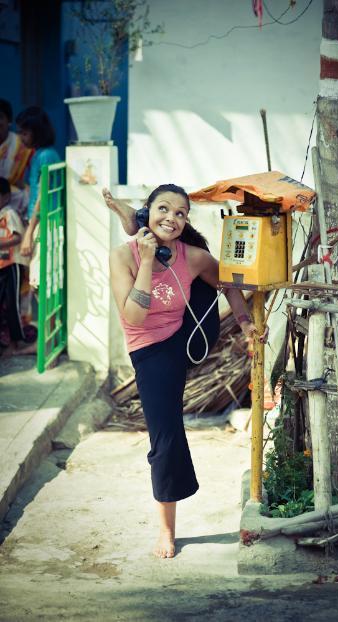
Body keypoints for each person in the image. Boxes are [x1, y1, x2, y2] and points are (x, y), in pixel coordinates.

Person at [103, 184, 268, 559]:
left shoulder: (191, 257)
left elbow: (228, 282)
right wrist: (148, 262)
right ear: (148, 212)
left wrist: (245, 323)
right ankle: (167, 529)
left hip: (188, 336)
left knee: (209, 279)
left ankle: (133, 215)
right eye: (163, 209)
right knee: (166, 435)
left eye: (180, 214)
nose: (172, 218)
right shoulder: (122, 257)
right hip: (150, 349)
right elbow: (134, 316)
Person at [15, 106, 60, 257]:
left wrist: (29, 233)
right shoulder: (41, 154)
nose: (20, 137)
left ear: (38, 132)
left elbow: (42, 197)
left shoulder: (45, 156)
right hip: (41, 222)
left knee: (39, 268)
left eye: (25, 133)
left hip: (45, 223)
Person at [0, 177, 29, 352]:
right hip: (2, 263)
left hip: (12, 264)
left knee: (12, 304)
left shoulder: (9, 213)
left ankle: (16, 342)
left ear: (6, 196)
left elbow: (18, 237)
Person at [0, 99, 32, 217]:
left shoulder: (21, 144)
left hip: (13, 197)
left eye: (0, 117)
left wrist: (23, 186)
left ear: (9, 121)